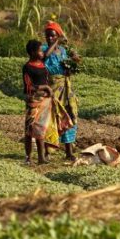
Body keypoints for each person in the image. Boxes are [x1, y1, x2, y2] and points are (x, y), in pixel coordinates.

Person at [23, 40, 73, 165]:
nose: (42, 52)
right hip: (34, 101)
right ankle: (28, 157)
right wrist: (44, 88)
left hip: (46, 101)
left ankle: (41, 157)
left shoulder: (41, 62)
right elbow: (28, 87)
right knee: (29, 130)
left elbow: (47, 53)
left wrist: (56, 40)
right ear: (33, 52)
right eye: (40, 50)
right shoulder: (28, 67)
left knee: (41, 128)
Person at [42, 21, 81, 161]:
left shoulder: (64, 51)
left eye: (52, 36)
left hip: (64, 87)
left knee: (68, 116)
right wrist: (56, 42)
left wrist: (70, 68)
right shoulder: (44, 48)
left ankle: (69, 151)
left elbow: (67, 66)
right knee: (50, 118)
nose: (49, 38)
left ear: (57, 35)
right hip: (51, 88)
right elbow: (45, 57)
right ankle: (46, 151)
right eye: (48, 36)